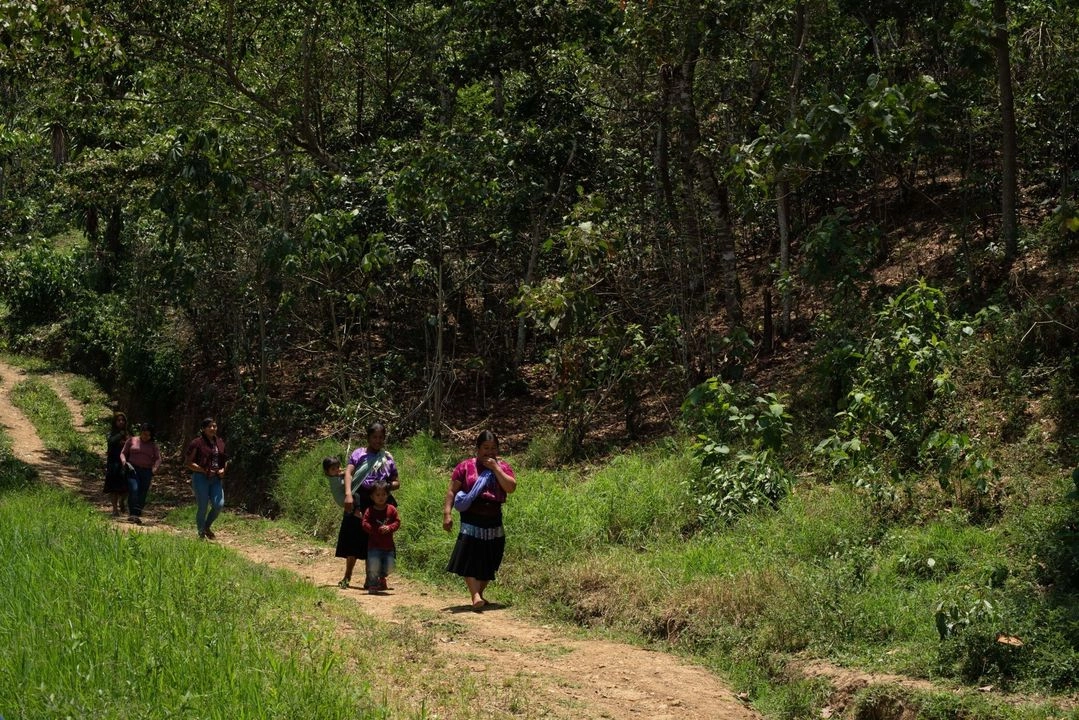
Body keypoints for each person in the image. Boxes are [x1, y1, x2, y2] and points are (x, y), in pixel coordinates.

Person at [443, 429, 517, 610]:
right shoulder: (465, 467)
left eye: (493, 448)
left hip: (493, 517)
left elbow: (510, 487)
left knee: (492, 557)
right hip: (471, 516)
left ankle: (479, 594)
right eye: (485, 448)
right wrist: (447, 513)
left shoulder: (503, 467)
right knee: (469, 555)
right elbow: (452, 490)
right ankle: (475, 595)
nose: (489, 452)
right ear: (477, 449)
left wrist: (495, 468)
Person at [335, 422, 399, 589]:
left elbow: (397, 481)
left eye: (381, 437)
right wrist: (349, 495)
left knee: (375, 538)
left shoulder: (387, 457)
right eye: (374, 437)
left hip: (380, 501)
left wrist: (386, 487)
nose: (378, 440)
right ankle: (347, 576)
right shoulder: (359, 454)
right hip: (360, 498)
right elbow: (349, 472)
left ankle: (371, 579)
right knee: (353, 537)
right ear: (368, 438)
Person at [185, 417, 228, 540]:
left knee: (219, 504)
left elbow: (226, 459)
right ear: (203, 429)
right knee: (203, 506)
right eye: (209, 426)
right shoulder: (197, 443)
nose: (212, 428)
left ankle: (206, 526)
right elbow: (188, 462)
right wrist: (203, 470)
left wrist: (223, 470)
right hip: (201, 478)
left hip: (216, 479)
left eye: (214, 426)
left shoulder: (220, 442)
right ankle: (201, 533)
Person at [361, 481, 400, 594]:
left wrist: (390, 527)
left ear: (387, 495)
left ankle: (382, 578)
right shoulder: (370, 511)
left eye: (383, 494)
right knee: (373, 566)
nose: (381, 497)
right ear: (372, 497)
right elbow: (364, 523)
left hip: (388, 546)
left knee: (390, 566)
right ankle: (373, 585)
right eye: (377, 495)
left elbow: (397, 522)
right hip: (374, 546)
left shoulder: (391, 509)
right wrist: (374, 530)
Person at [120, 422, 161, 525]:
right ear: (141, 432)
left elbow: (158, 458)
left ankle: (137, 514)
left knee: (143, 492)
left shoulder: (153, 445)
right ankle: (132, 513)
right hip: (132, 469)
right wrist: (124, 462)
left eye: (148, 435)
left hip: (146, 471)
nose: (145, 437)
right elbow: (123, 453)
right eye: (144, 434)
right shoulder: (132, 440)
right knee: (134, 489)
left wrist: (155, 468)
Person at [103, 411, 130, 516]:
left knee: (126, 488)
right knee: (113, 489)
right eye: (118, 420)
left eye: (123, 420)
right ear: (114, 422)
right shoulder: (111, 434)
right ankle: (115, 509)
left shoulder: (128, 434)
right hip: (113, 464)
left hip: (125, 464)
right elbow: (111, 441)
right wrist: (120, 435)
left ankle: (122, 501)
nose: (121, 422)